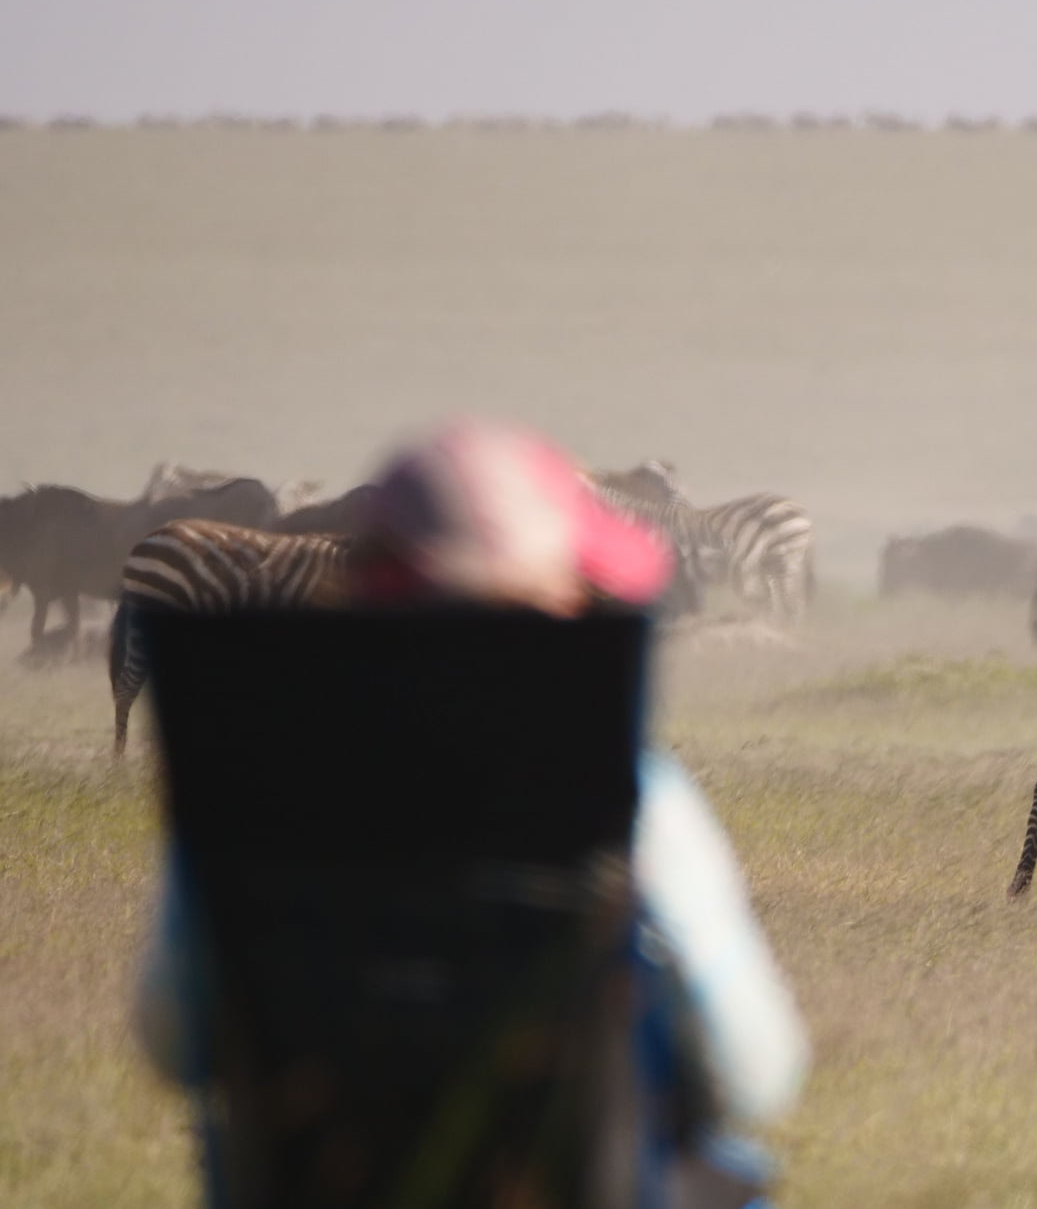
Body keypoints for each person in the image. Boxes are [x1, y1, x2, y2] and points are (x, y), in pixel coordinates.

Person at [135, 417, 808, 1133]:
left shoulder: (261, 788)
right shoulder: (638, 794)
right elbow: (752, 1075)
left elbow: (173, 1044)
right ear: (569, 608)